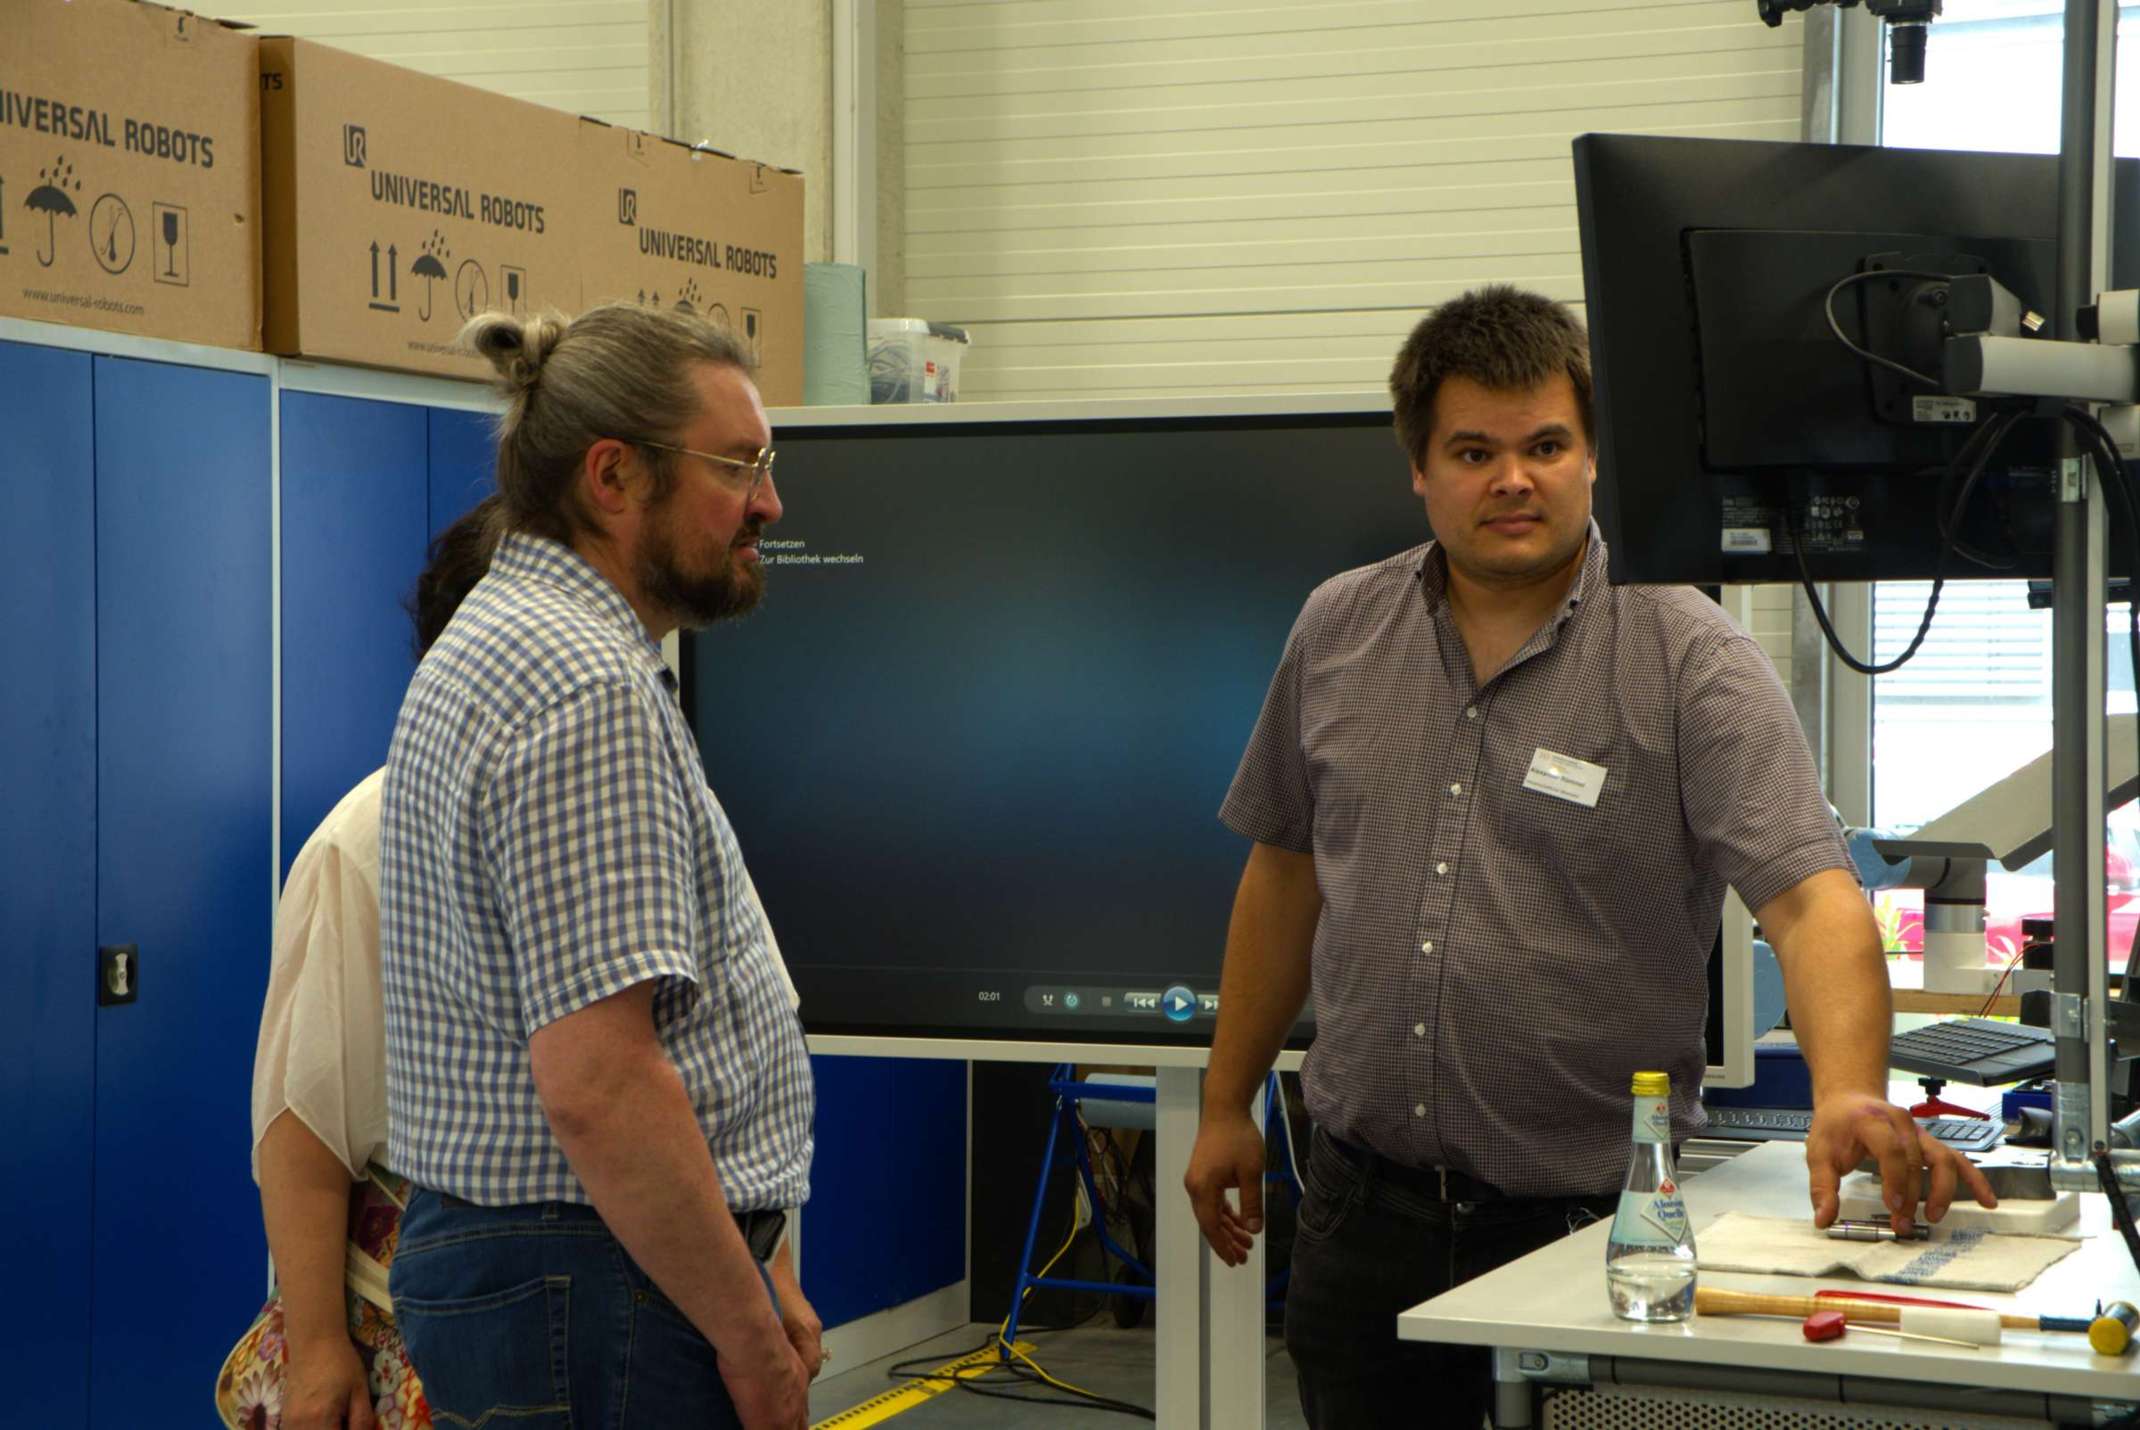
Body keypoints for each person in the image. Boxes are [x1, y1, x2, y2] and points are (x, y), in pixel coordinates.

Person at [1181, 285, 1998, 1428]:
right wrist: (1227, 1100)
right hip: (1360, 1220)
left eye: (1545, 446)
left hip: (1590, 1231)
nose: (1513, 479)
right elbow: (1283, 873)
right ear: (1419, 468)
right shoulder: (1336, 630)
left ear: (1593, 457)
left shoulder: (1687, 653)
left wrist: (1848, 1089)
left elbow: (1810, 901)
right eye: (1473, 451)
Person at [378, 304, 817, 1430]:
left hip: (571, 1270)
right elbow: (603, 1085)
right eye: (738, 467)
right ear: (613, 476)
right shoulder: (581, 683)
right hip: (594, 1282)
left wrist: (751, 1262)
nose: (769, 502)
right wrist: (750, 1343)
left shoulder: (513, 636)